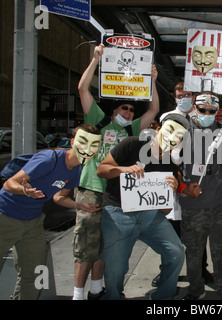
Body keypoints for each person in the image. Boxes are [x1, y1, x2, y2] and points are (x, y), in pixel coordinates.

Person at [72, 43, 160, 300]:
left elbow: (154, 109)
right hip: (90, 190)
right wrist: (96, 60)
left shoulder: (131, 129)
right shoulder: (97, 118)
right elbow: (82, 89)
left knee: (105, 247)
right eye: (124, 108)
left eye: (132, 110)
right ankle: (78, 295)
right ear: (113, 110)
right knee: (85, 246)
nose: (128, 112)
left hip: (113, 196)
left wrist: (152, 81)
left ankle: (97, 289)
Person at [0, 124, 101, 300]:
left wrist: (80, 206)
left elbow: (58, 198)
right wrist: (25, 191)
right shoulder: (49, 159)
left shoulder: (77, 170)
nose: (87, 149)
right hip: (6, 215)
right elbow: (9, 184)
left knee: (33, 274)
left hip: (33, 222)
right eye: (83, 143)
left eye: (93, 145)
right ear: (72, 142)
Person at [96, 114, 189, 300]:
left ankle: (162, 298)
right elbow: (102, 170)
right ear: (158, 129)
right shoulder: (132, 144)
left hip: (150, 216)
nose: (172, 138)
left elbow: (165, 211)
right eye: (169, 131)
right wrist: (124, 169)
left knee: (176, 252)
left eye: (179, 136)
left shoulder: (170, 165)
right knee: (115, 266)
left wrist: (169, 192)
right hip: (118, 212)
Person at [179, 92, 222, 300]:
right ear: (194, 108)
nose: (206, 114)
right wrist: (183, 188)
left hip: (220, 204)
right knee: (194, 255)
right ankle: (196, 291)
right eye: (202, 109)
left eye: (212, 111)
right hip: (192, 205)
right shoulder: (182, 130)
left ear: (217, 112)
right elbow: (170, 167)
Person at [151, 82, 213, 288]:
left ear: (194, 96)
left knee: (198, 232)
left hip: (193, 181)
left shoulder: (203, 119)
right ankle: (168, 272)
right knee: (171, 233)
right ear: (175, 97)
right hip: (172, 178)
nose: (184, 98)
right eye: (180, 95)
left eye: (188, 94)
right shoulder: (167, 117)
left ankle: (202, 270)